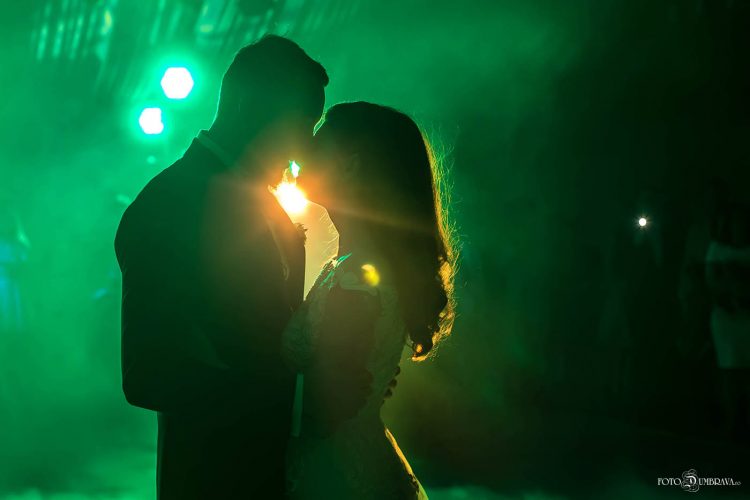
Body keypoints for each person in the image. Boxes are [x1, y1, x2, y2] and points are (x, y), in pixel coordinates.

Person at [115, 36, 370, 499]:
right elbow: (148, 371)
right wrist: (302, 399)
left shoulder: (269, 206)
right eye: (301, 125)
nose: (304, 147)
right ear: (246, 105)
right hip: (210, 480)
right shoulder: (167, 204)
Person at [283, 102, 456, 499]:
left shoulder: (359, 277)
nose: (303, 149)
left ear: (350, 165)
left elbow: (331, 403)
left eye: (319, 141)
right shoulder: (357, 265)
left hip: (333, 476)